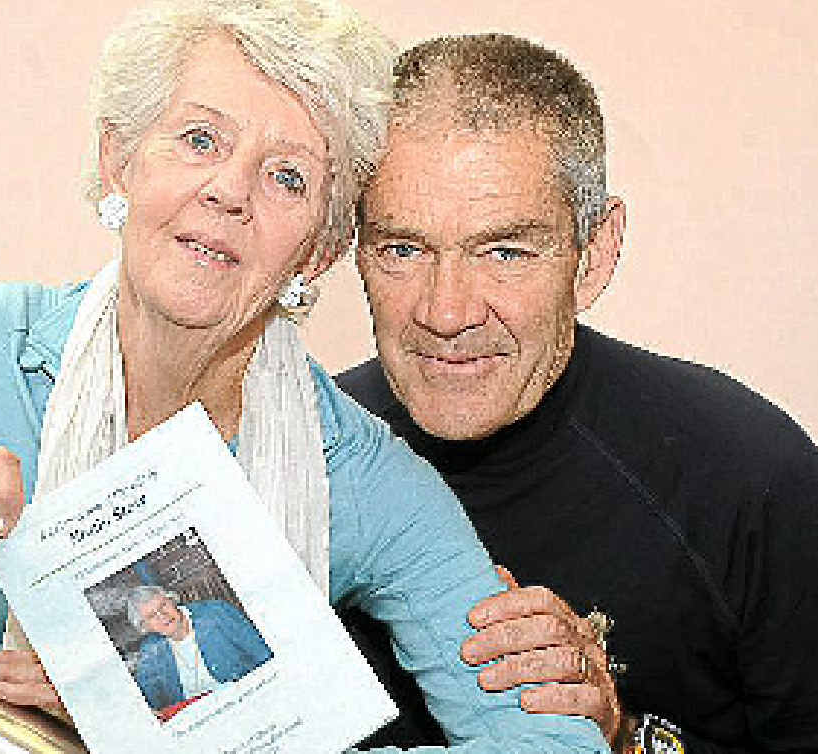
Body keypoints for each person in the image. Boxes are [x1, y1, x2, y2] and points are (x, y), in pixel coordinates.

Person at [0, 3, 610, 751]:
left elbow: (551, 746)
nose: (226, 190)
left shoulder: (361, 480)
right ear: (120, 159)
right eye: (199, 140)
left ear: (319, 251)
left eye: (286, 176)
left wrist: (201, 727)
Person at [337, 33, 818, 753]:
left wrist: (622, 739)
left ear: (592, 256)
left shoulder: (748, 479)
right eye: (402, 249)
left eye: (504, 251)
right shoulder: (285, 458)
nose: (445, 312)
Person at [127, 586, 271, 712]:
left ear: (172, 600)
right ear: (145, 627)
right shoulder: (150, 650)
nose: (162, 616)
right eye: (152, 616)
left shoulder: (216, 613)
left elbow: (264, 654)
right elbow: (146, 701)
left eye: (163, 606)